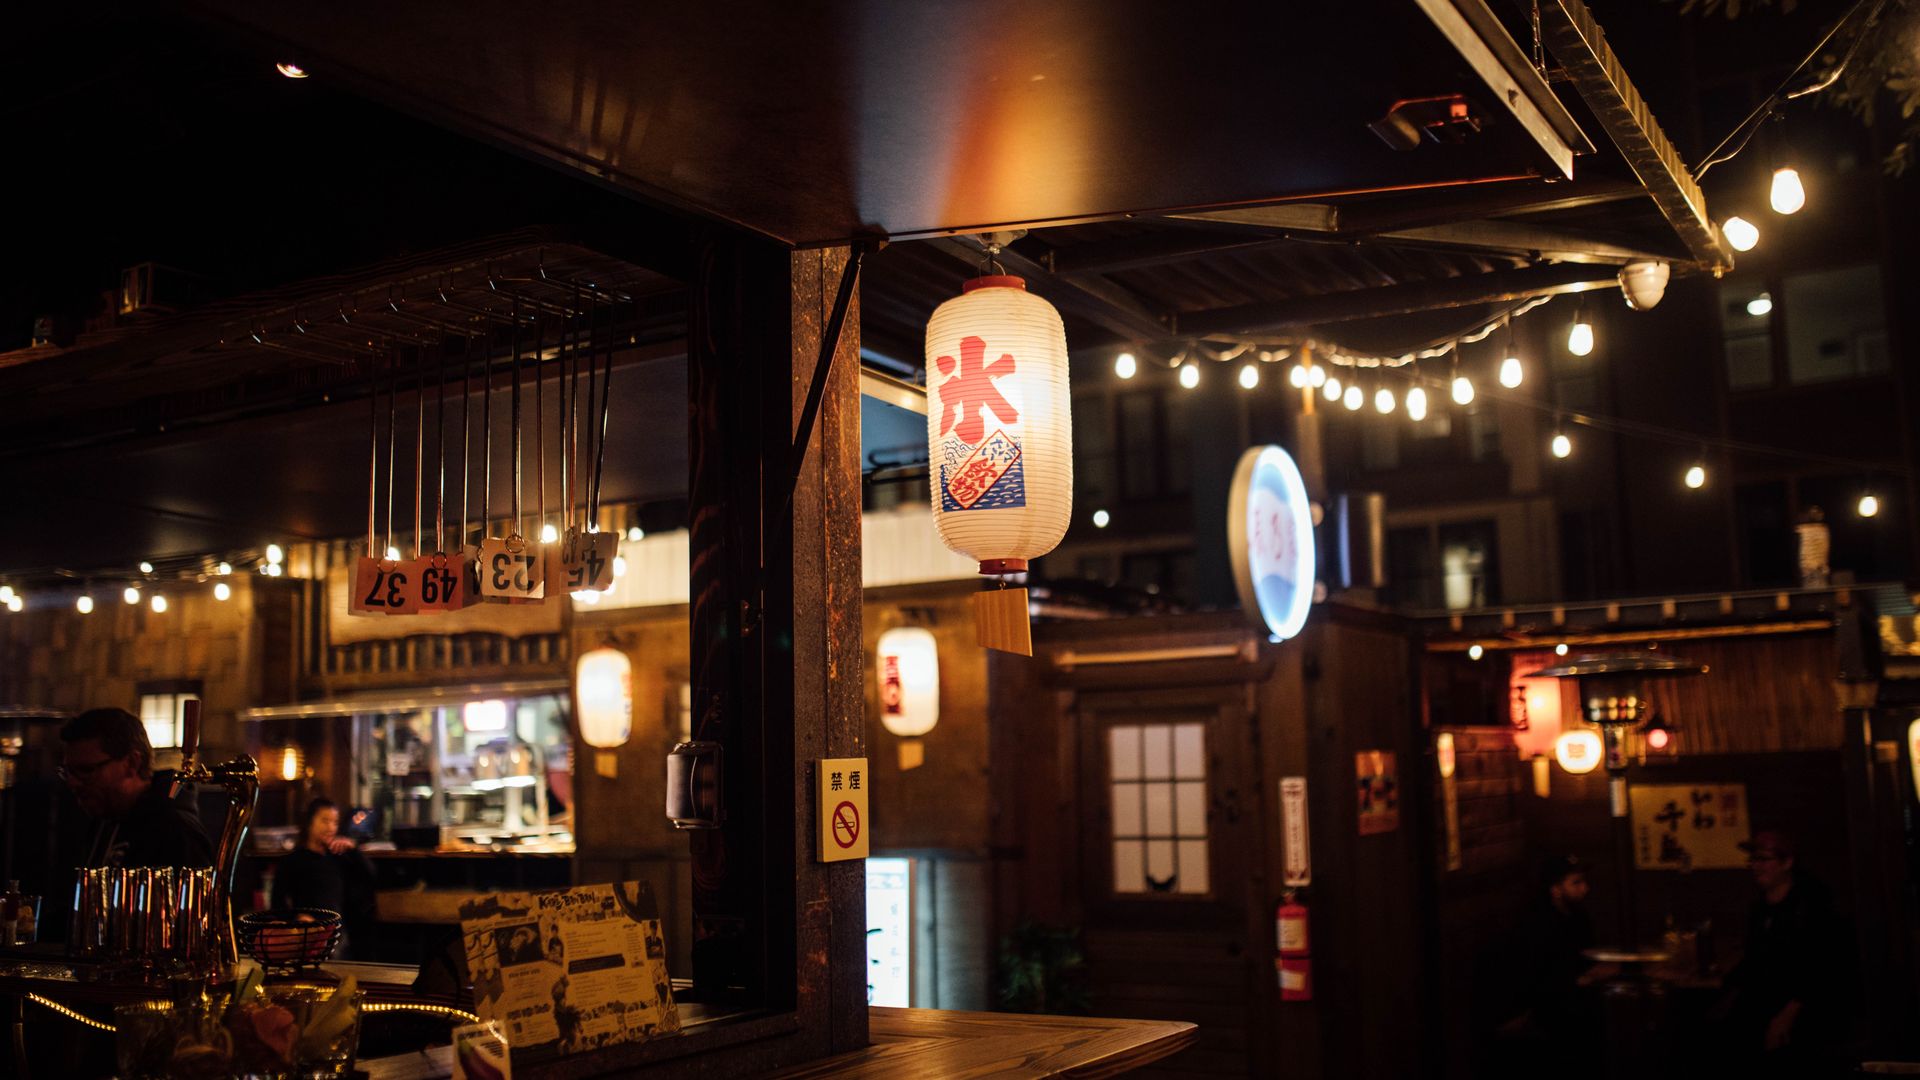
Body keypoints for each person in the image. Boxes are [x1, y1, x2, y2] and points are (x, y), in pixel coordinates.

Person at [1717, 830, 1851, 1076]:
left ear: (1787, 862)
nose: (1756, 866)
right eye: (1753, 859)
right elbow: (1756, 958)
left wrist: (1788, 1014)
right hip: (1764, 1003)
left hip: (1802, 1012)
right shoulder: (1761, 908)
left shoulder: (1810, 907)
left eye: (1764, 859)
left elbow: (1821, 966)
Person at [1481, 855, 1597, 1078]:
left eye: (1583, 881)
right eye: (1576, 882)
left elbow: (1585, 957)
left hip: (1568, 999)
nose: (1585, 888)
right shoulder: (1537, 923)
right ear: (1555, 890)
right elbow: (1534, 976)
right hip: (1542, 1008)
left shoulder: (1577, 915)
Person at [59, 707, 213, 869]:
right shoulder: (105, 818)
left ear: (132, 763)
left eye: (87, 770)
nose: (73, 782)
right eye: (68, 772)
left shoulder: (177, 832)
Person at [270, 797, 375, 957]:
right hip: (307, 934)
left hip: (338, 933)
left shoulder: (338, 857)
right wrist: (296, 918)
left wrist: (353, 849)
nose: (331, 827)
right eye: (325, 821)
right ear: (310, 822)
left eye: (335, 822)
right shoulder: (293, 860)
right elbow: (277, 901)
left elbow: (370, 875)